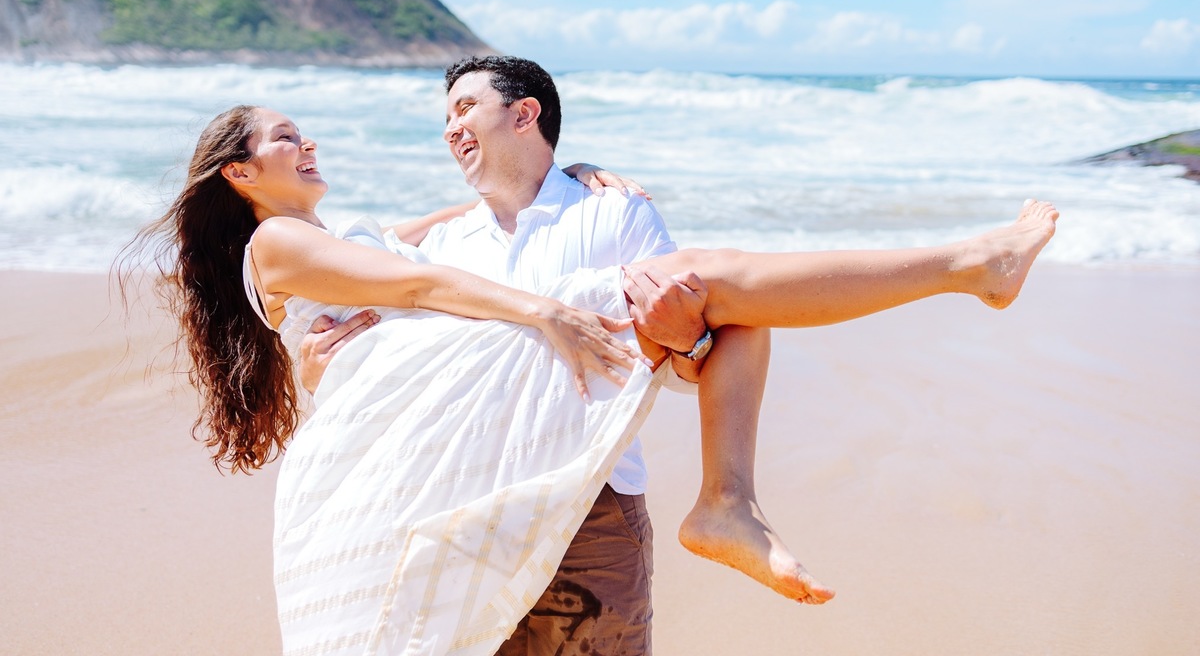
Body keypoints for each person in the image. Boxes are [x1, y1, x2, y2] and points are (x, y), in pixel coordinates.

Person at [136, 76, 1058, 655]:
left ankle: (729, 499)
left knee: (719, 297)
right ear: (240, 175)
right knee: (713, 281)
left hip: (489, 433)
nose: (307, 144)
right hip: (464, 411)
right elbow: (418, 283)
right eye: (285, 138)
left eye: (464, 110)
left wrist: (576, 172)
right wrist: (545, 311)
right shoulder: (279, 244)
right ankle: (968, 266)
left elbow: (428, 239)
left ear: (523, 115)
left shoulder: (349, 235)